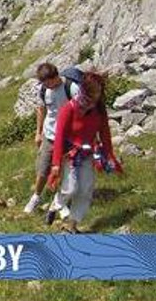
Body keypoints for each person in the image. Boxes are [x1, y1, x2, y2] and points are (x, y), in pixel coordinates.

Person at [46, 71, 122, 233]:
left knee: (86, 189)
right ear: (85, 90)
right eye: (95, 91)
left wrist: (109, 155)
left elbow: (105, 134)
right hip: (70, 154)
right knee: (71, 188)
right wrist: (55, 165)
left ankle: (72, 224)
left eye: (100, 91)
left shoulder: (99, 110)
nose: (97, 95)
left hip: (88, 153)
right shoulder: (68, 109)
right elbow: (59, 137)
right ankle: (56, 204)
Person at [24, 62, 79, 214]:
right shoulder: (43, 89)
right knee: (42, 169)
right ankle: (36, 197)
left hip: (69, 138)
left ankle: (60, 201)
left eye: (50, 83)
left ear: (56, 76)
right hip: (49, 136)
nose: (48, 87)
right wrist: (38, 132)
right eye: (45, 84)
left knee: (66, 171)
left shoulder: (71, 88)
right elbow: (41, 110)